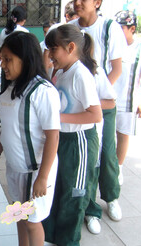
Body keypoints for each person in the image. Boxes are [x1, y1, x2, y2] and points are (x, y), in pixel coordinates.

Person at [0, 32, 60, 246]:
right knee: (20, 215)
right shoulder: (9, 88)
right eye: (2, 59)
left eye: (8, 59)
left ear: (26, 58)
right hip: (15, 167)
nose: (2, 65)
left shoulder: (43, 91)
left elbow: (53, 137)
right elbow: (8, 127)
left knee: (32, 222)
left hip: (35, 170)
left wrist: (43, 177)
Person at [68, 0, 126, 233]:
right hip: (81, 106)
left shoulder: (109, 28)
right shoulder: (70, 30)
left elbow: (117, 68)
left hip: (103, 103)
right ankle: (91, 209)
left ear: (97, 2)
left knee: (107, 155)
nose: (78, 2)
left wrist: (96, 96)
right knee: (88, 158)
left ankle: (111, 198)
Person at [42, 24, 102, 246]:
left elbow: (95, 115)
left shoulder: (80, 74)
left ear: (70, 47)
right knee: (57, 187)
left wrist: (59, 119)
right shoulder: (60, 71)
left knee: (73, 193)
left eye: (53, 49)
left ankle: (68, 240)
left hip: (79, 143)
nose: (49, 55)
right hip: (62, 139)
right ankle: (51, 236)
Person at [113, 10, 141, 185]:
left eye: (121, 28)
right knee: (107, 137)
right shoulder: (114, 47)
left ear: (132, 29)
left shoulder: (140, 49)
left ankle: (119, 168)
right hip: (109, 100)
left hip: (128, 101)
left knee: (123, 136)